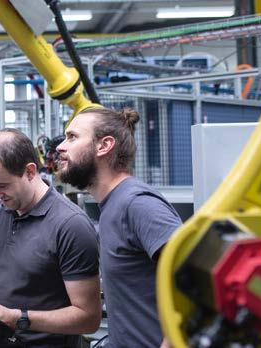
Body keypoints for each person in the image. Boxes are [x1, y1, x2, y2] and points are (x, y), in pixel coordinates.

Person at [0, 128, 102, 347]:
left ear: (30, 171)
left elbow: (88, 318)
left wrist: (19, 318)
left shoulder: (70, 225)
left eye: (2, 186)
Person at [56, 108, 182, 348]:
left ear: (104, 146)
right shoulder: (111, 205)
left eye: (72, 137)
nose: (61, 147)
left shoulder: (137, 204)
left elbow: (196, 280)